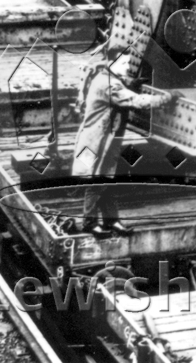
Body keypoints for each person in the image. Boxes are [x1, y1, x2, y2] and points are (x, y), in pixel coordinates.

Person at [72, 53, 177, 237]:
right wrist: (165, 98)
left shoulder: (104, 76)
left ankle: (112, 221)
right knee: (96, 181)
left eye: (128, 62)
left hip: (98, 140)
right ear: (112, 63)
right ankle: (89, 222)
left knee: (106, 180)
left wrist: (130, 84)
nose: (128, 66)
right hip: (95, 142)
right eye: (123, 62)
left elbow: (120, 87)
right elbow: (134, 101)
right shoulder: (109, 85)